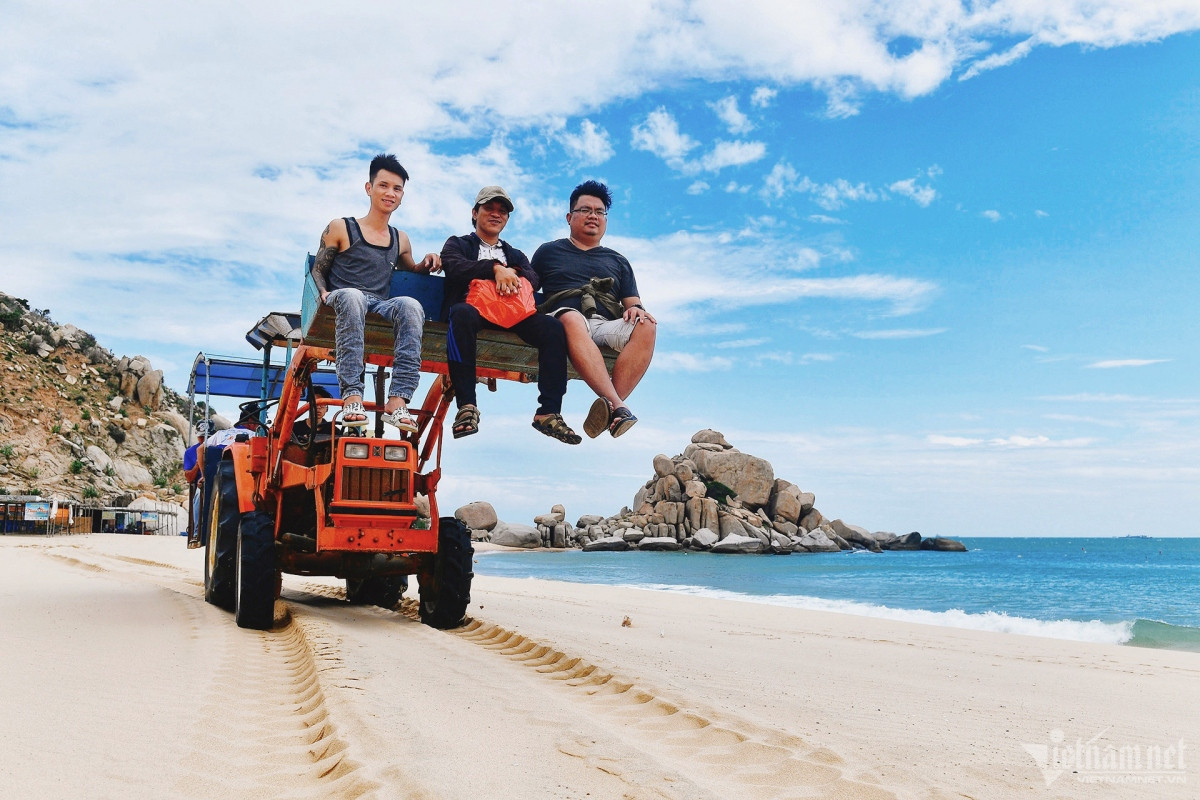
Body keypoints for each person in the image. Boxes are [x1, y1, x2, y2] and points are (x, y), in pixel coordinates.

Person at [310, 153, 441, 432]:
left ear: (402, 195)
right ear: (369, 188)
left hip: (378, 304)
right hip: (342, 297)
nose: (390, 193)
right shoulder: (341, 227)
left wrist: (428, 262)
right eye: (383, 185)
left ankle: (398, 401)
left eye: (397, 188)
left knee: (410, 305)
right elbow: (318, 268)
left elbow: (412, 270)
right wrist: (322, 292)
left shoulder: (400, 238)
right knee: (353, 296)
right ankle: (352, 396)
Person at [440, 186, 580, 444]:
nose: (496, 214)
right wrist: (493, 269)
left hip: (513, 315)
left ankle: (548, 411)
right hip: (474, 311)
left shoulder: (514, 254)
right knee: (460, 315)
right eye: (489, 209)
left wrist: (509, 271)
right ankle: (467, 406)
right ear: (475, 213)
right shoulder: (458, 244)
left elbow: (534, 278)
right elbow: (453, 266)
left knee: (552, 328)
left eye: (502, 211)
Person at [531, 180, 656, 438]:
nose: (593, 216)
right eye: (586, 210)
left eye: (599, 212)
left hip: (604, 323)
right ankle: (618, 406)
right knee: (571, 317)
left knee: (648, 324)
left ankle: (611, 407)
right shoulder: (548, 252)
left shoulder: (618, 260)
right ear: (569, 217)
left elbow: (633, 303)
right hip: (565, 317)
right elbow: (527, 290)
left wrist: (638, 311)